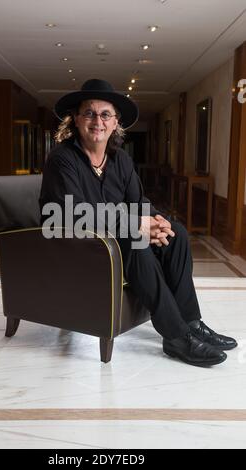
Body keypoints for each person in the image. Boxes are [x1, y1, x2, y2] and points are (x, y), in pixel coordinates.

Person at [39, 78, 237, 367]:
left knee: (177, 234)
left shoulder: (120, 160)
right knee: (134, 239)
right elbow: (74, 212)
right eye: (89, 113)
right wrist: (137, 227)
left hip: (114, 237)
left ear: (116, 122)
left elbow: (139, 200)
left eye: (105, 114)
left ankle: (192, 323)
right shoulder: (62, 159)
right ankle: (176, 337)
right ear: (75, 120)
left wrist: (157, 222)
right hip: (76, 246)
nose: (98, 121)